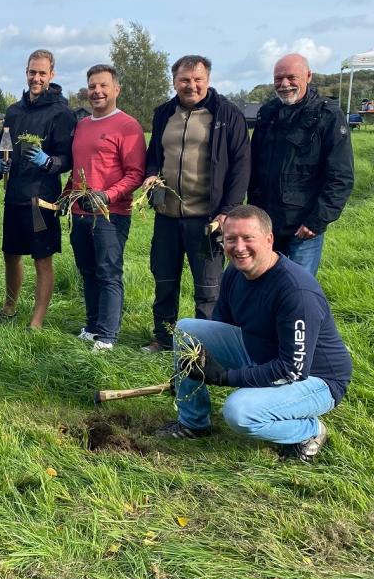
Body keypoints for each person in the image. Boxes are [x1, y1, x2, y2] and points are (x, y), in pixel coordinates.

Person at [155, 205, 352, 462]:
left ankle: (309, 430)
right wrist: (190, 375)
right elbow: (222, 327)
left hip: (315, 378)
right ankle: (193, 422)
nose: (239, 247)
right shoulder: (234, 274)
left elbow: (292, 370)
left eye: (248, 238)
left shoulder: (296, 292)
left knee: (240, 412)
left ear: (269, 240)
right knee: (187, 330)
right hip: (261, 351)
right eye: (231, 239)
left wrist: (226, 377)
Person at [142, 55, 250, 353]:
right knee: (164, 282)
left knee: (208, 290)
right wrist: (151, 175)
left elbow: (241, 166)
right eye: (184, 80)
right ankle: (163, 339)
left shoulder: (228, 115)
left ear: (208, 80)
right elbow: (154, 154)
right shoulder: (164, 113)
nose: (191, 85)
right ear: (174, 81)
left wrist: (228, 210)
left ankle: (204, 349)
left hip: (207, 218)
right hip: (167, 216)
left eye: (197, 79)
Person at [248, 54, 354, 275]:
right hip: (266, 224)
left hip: (303, 228)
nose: (284, 84)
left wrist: (317, 221)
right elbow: (253, 166)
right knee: (264, 286)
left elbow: (341, 176)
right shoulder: (267, 113)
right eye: (278, 79)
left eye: (291, 77)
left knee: (297, 291)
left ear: (308, 76)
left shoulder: (328, 115)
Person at [0, 49, 76, 329]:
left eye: (42, 73)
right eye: (32, 72)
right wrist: (2, 162)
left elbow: (68, 159)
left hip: (41, 199)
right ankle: (9, 306)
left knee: (42, 257)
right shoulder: (14, 111)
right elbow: (4, 145)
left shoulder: (62, 113)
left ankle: (37, 320)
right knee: (11, 254)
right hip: (15, 193)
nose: (36, 78)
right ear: (26, 72)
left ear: (52, 75)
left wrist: (48, 161)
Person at [67, 65, 146, 351]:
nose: (96, 92)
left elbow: (135, 173)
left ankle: (108, 335)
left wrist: (107, 196)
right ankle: (92, 325)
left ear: (116, 89)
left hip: (110, 214)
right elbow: (78, 168)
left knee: (108, 272)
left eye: (102, 86)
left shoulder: (128, 126)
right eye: (92, 86)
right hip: (80, 212)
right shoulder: (83, 125)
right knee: (87, 271)